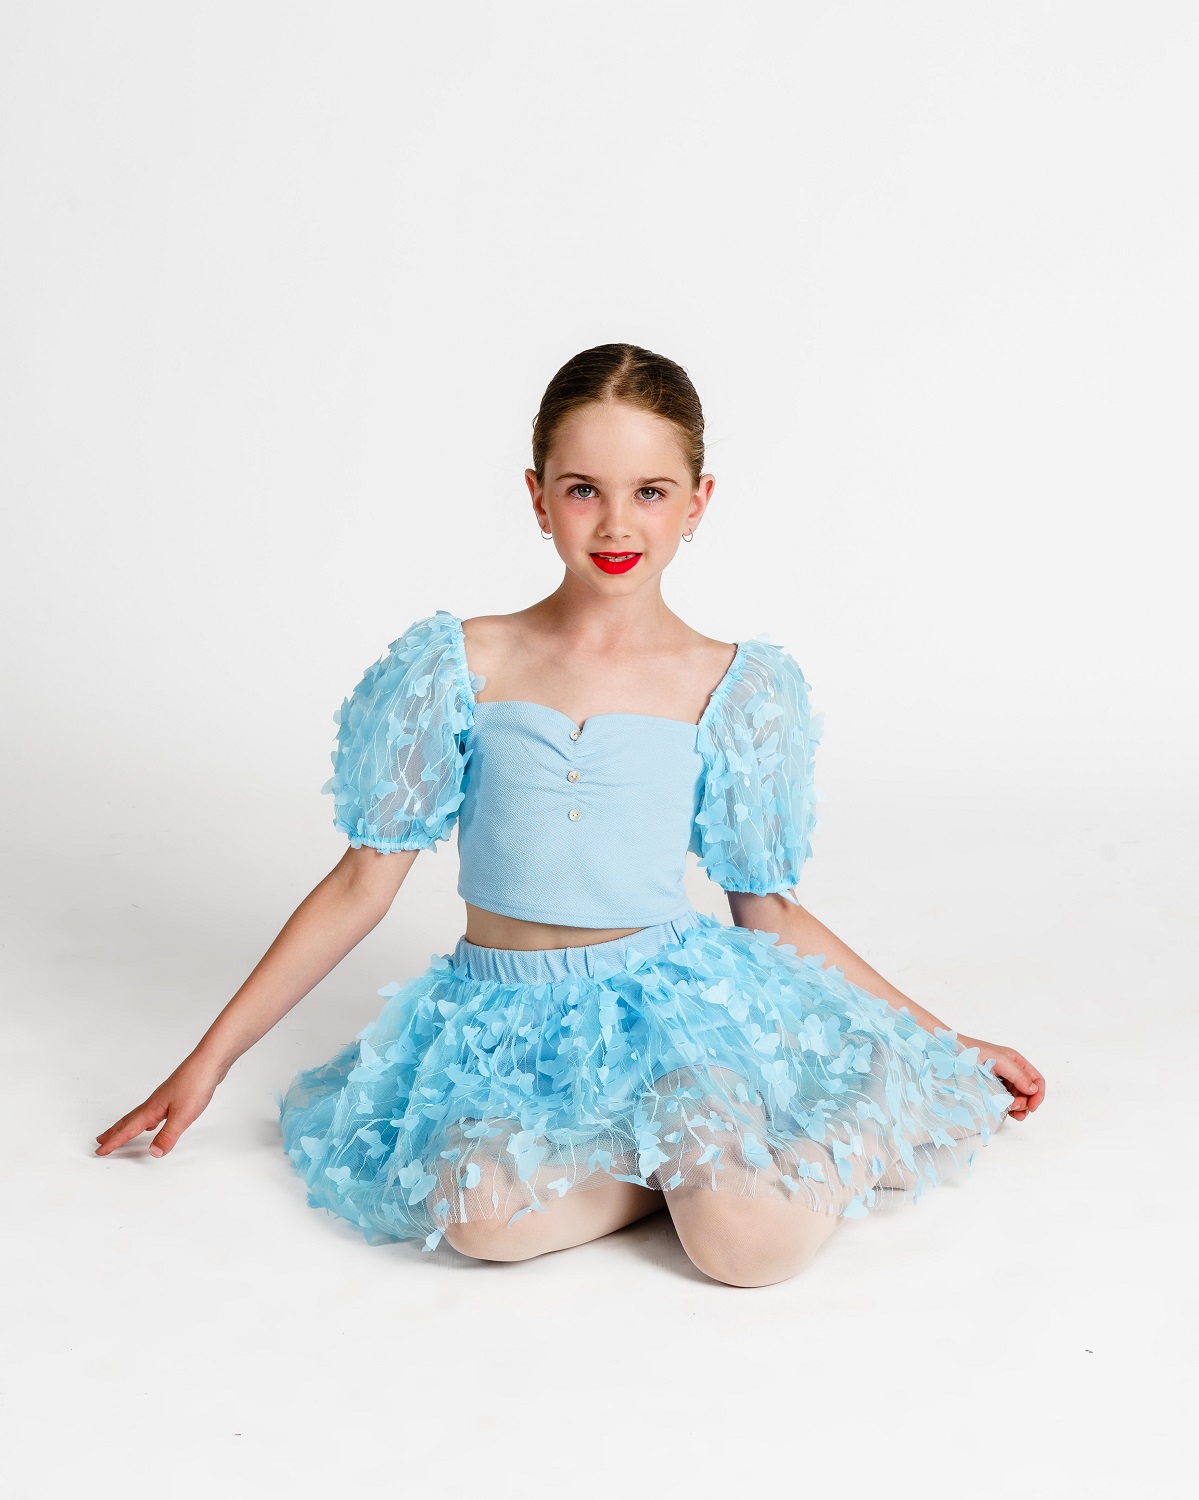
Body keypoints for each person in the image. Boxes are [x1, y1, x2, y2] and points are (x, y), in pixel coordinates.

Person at [95, 342, 1045, 1288]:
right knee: (480, 1221)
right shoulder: (463, 662)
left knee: (745, 1252)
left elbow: (769, 909)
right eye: (583, 489)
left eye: (650, 492)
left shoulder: (728, 684)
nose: (616, 523)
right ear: (537, 496)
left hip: (673, 1016)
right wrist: (208, 1062)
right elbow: (360, 884)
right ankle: (672, 1172)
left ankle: (841, 1117)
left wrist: (940, 1041)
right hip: (500, 1023)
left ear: (697, 503)